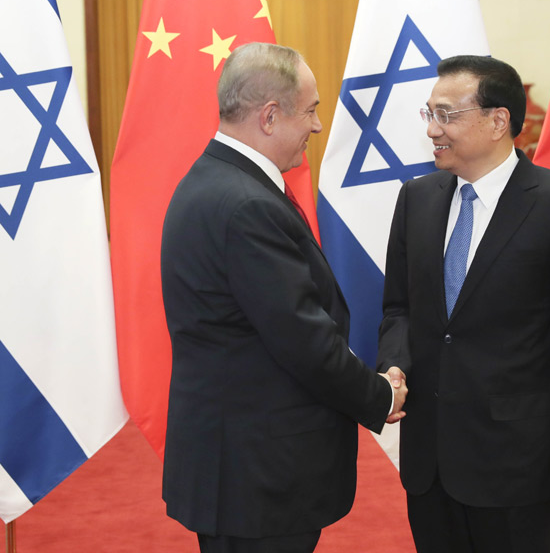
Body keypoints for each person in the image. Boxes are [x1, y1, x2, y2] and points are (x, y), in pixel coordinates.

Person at [161, 42, 407, 553]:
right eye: (310, 111)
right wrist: (379, 395)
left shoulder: (214, 180)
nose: (317, 126)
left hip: (239, 466)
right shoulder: (246, 204)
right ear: (270, 116)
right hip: (256, 477)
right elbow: (303, 339)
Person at [377, 55, 550, 552]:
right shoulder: (416, 198)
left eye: (446, 115)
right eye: (430, 114)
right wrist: (395, 364)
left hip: (517, 462)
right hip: (429, 459)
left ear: (498, 120)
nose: (432, 130)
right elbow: (399, 308)